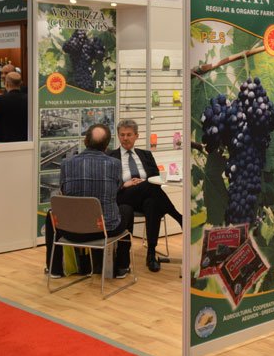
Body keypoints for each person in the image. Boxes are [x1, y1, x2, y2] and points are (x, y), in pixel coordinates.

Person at [47, 123, 133, 278]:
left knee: (51, 214)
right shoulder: (114, 164)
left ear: (85, 141)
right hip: (105, 230)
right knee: (126, 209)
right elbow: (116, 190)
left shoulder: (66, 164)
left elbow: (63, 191)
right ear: (107, 145)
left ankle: (54, 268)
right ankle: (122, 266)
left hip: (71, 230)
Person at [109, 119, 182, 273]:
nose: (125, 138)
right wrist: (124, 184)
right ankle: (178, 217)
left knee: (152, 203)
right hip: (123, 196)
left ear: (137, 136)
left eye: (129, 135)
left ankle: (151, 254)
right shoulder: (111, 156)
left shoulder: (146, 154)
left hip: (144, 197)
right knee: (150, 187)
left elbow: (156, 177)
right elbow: (108, 183)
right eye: (122, 135)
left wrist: (143, 183)